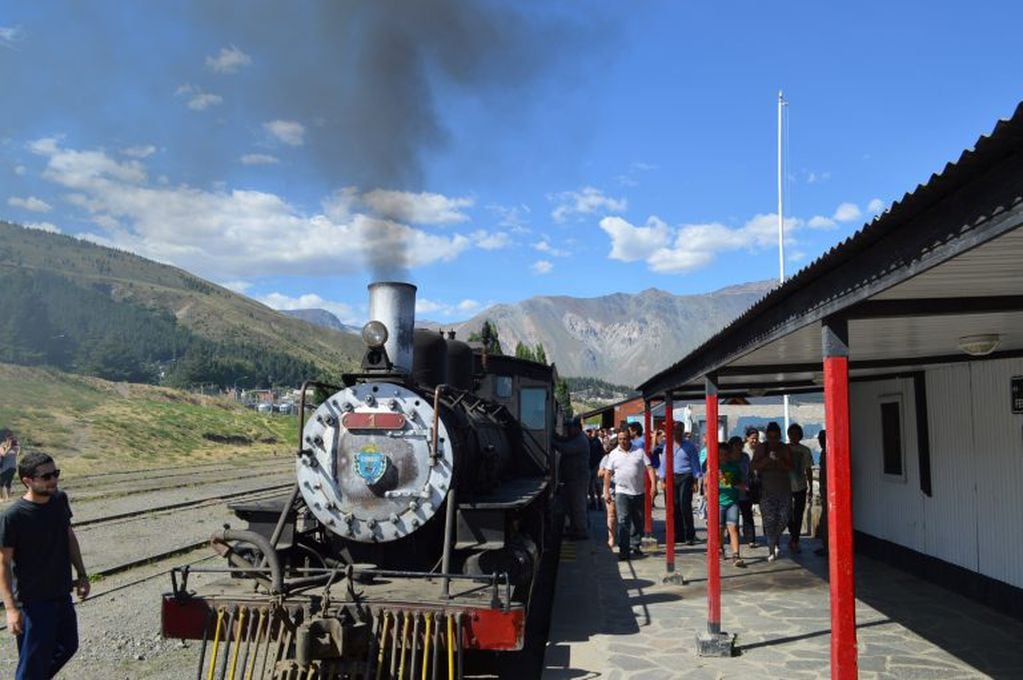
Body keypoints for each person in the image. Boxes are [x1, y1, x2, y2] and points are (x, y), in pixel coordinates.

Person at [0, 451, 90, 679]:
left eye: (55, 474)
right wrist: (11, 609)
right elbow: (3, 563)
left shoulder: (59, 500)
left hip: (60, 592)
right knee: (32, 661)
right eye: (47, 476)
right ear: (27, 481)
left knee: (68, 646)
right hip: (33, 603)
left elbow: (69, 537)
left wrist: (82, 574)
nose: (53, 480)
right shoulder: (13, 517)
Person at [602, 430, 655, 561]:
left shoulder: (639, 451)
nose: (622, 441)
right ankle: (624, 550)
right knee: (623, 521)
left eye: (625, 439)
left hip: (638, 492)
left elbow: (649, 468)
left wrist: (653, 485)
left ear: (630, 439)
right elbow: (608, 473)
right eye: (620, 439)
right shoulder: (613, 454)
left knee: (638, 520)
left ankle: (635, 545)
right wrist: (606, 491)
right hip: (621, 492)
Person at [751, 421, 792, 562]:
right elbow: (753, 466)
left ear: (780, 436)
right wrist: (768, 459)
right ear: (767, 436)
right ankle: (771, 549)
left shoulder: (784, 448)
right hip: (766, 490)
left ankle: (775, 539)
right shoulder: (762, 448)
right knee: (769, 521)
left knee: (784, 518)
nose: (773, 440)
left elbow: (789, 467)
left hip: (784, 489)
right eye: (771, 437)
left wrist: (779, 460)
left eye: (776, 437)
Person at [657, 421, 702, 545]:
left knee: (684, 505)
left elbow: (694, 463)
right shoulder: (667, 446)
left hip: (685, 476)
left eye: (679, 430)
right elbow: (664, 463)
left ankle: (689, 534)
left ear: (682, 432)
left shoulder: (689, 446)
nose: (677, 433)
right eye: (674, 430)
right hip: (671, 477)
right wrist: (662, 479)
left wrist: (695, 480)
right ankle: (677, 534)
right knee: (673, 506)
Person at [556, 419, 591, 540]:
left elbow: (567, 449)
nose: (568, 430)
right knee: (571, 505)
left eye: (570, 428)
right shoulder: (575, 437)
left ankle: (581, 530)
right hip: (572, 477)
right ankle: (574, 527)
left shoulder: (581, 440)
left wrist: (554, 443)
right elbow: (565, 441)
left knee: (578, 505)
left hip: (578, 477)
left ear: (577, 428)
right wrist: (558, 438)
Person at [718, 438, 747, 568]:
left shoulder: (734, 467)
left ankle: (736, 554)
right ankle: (720, 548)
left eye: (725, 454)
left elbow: (738, 482)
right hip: (718, 501)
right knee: (719, 528)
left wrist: (729, 480)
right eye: (720, 454)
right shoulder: (713, 467)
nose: (723, 457)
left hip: (732, 501)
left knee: (733, 528)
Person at [786, 423, 813, 554]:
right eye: (792, 434)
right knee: (787, 513)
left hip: (801, 486)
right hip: (785, 486)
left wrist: (811, 487)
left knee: (798, 513)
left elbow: (808, 469)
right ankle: (793, 533)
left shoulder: (805, 450)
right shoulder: (784, 449)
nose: (794, 436)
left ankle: (795, 539)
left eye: (796, 434)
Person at [739, 426, 760, 548]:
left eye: (756, 439)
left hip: (755, 483)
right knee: (742, 510)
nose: (754, 441)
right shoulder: (744, 451)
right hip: (743, 483)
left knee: (748, 511)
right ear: (747, 438)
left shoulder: (760, 449)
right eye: (752, 438)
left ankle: (750, 538)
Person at [597, 452, 617, 549]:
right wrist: (610, 471)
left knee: (624, 516)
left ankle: (624, 539)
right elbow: (600, 473)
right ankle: (611, 538)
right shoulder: (607, 458)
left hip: (627, 490)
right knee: (611, 514)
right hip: (611, 490)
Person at [815, 429, 828, 557]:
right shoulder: (824, 453)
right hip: (824, 491)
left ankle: (827, 547)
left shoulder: (828, 453)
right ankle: (825, 546)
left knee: (827, 520)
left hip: (828, 491)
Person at [586, 428, 606, 511]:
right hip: (589, 465)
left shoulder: (596, 441)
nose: (588, 434)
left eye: (589, 432)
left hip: (596, 465)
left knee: (596, 485)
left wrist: (601, 465)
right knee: (591, 485)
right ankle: (593, 502)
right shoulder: (588, 441)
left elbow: (602, 452)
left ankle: (599, 503)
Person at [0, 430, 19, 502]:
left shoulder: (15, 447)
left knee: (9, 483)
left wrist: (15, 446)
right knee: (1, 483)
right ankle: (1, 498)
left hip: (12, 467)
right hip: (5, 467)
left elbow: (17, 454)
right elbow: (3, 454)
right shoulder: (2, 446)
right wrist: (8, 447)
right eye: (9, 438)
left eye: (12, 438)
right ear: (6, 439)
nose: (11, 440)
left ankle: (9, 497)